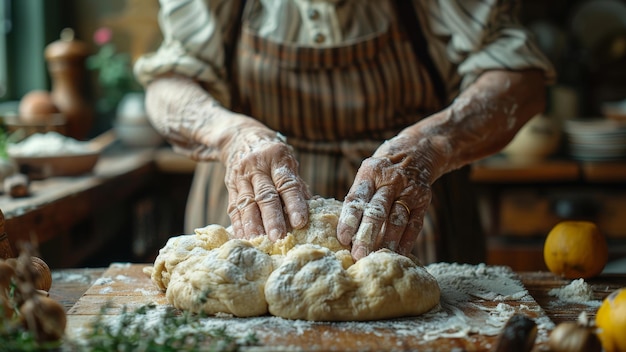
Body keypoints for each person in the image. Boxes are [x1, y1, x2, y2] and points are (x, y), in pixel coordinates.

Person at [134, 0, 555, 263]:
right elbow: (169, 81)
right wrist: (231, 135)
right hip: (253, 207)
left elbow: (519, 78)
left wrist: (429, 146)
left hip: (401, 209)